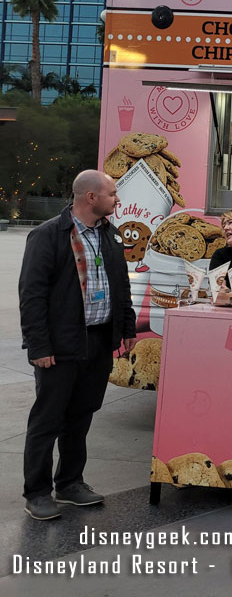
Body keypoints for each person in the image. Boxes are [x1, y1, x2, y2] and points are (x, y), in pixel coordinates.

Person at [19, 170, 137, 521]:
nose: (117, 200)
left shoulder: (110, 235)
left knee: (81, 416)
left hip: (98, 341)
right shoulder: (48, 236)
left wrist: (126, 328)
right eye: (112, 194)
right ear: (90, 197)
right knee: (48, 419)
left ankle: (70, 483)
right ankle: (37, 492)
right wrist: (38, 346)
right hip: (60, 344)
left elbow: (121, 285)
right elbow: (32, 295)